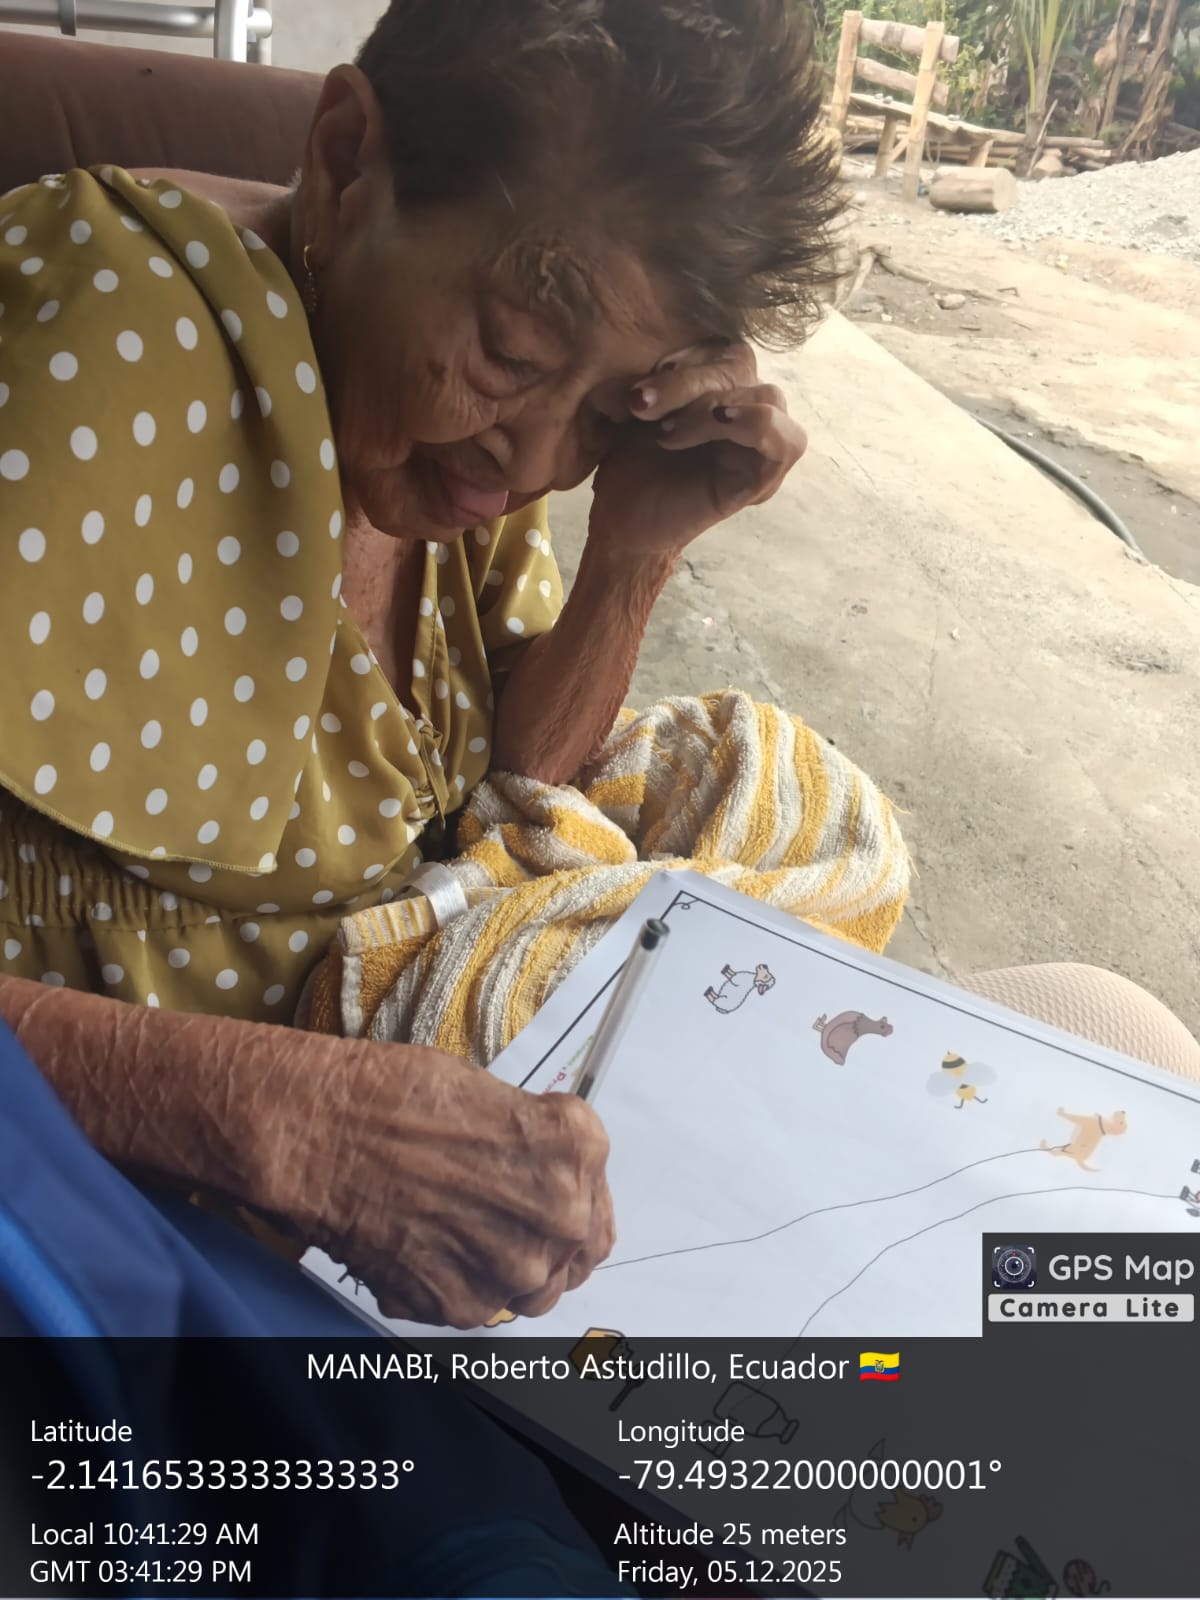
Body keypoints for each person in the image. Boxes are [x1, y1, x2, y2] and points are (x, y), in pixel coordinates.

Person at [1, 0, 1195, 1333]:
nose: (535, 461)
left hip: (473, 1119)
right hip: (180, 1225)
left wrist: (633, 549)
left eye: (607, 411)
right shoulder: (109, 340)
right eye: (514, 354)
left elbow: (511, 797)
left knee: (1111, 1051)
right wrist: (275, 1117)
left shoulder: (435, 431)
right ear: (342, 160)